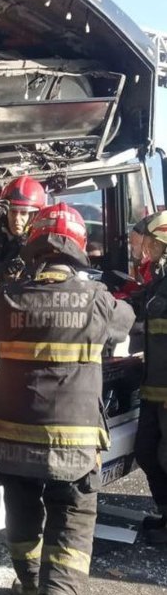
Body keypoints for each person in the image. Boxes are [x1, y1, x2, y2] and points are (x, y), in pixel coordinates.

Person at [0, 203, 135, 595]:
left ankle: (30, 588)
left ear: (34, 247)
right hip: (74, 439)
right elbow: (127, 321)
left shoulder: (8, 296)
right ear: (78, 248)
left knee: (22, 509)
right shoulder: (96, 300)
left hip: (13, 433)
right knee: (72, 515)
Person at [133, 211, 167, 543]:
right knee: (146, 451)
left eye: (153, 242)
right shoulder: (159, 283)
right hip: (153, 390)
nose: (148, 247)